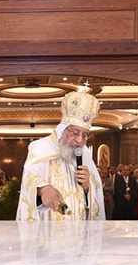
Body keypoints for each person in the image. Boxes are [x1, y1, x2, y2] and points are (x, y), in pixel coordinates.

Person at [16, 90, 106, 221]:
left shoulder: (85, 154)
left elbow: (95, 199)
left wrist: (87, 187)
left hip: (79, 230)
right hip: (49, 229)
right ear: (63, 129)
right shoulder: (42, 147)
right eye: (75, 132)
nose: (80, 140)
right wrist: (43, 189)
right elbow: (29, 178)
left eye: (85, 135)